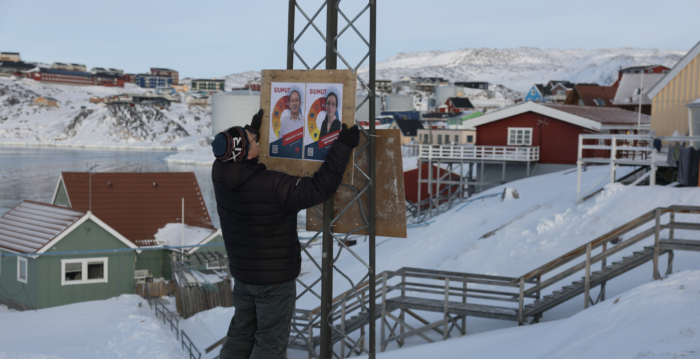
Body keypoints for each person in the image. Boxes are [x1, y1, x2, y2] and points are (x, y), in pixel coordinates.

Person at [210, 109, 360, 359]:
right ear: (246, 153)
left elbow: (235, 152)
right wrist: (342, 146)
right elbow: (320, 187)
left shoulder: (220, 174)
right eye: (254, 142)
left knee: (240, 333)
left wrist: (251, 132)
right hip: (274, 281)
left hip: (244, 276)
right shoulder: (272, 185)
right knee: (270, 342)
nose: (256, 141)